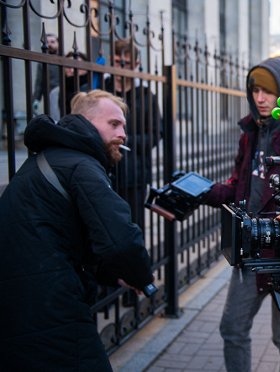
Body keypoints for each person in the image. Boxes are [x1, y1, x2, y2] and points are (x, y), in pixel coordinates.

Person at [0, 90, 155, 371]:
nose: (123, 134)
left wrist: (113, 274)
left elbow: (71, 235)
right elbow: (121, 240)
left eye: (124, 125)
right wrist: (142, 277)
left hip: (23, 295)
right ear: (86, 122)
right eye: (114, 124)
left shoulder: (54, 157)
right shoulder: (81, 166)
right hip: (48, 303)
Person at [202, 56, 280, 372]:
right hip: (250, 250)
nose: (260, 97)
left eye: (268, 91)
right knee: (232, 328)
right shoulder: (250, 132)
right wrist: (201, 191)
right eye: (255, 89)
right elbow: (237, 187)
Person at [104, 38, 162, 232]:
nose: (121, 67)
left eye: (126, 63)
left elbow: (155, 135)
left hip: (134, 174)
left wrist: (123, 140)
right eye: (117, 61)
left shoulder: (147, 96)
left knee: (132, 226)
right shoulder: (102, 91)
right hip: (104, 170)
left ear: (136, 64)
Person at [49, 51, 90, 122]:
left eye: (77, 66)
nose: (72, 70)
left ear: (86, 69)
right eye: (68, 66)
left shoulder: (93, 90)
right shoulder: (55, 93)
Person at [32, 33, 61, 113]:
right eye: (47, 42)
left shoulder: (65, 59)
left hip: (66, 94)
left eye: (52, 42)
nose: (49, 44)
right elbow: (39, 82)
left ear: (58, 43)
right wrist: (36, 99)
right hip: (50, 96)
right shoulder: (42, 62)